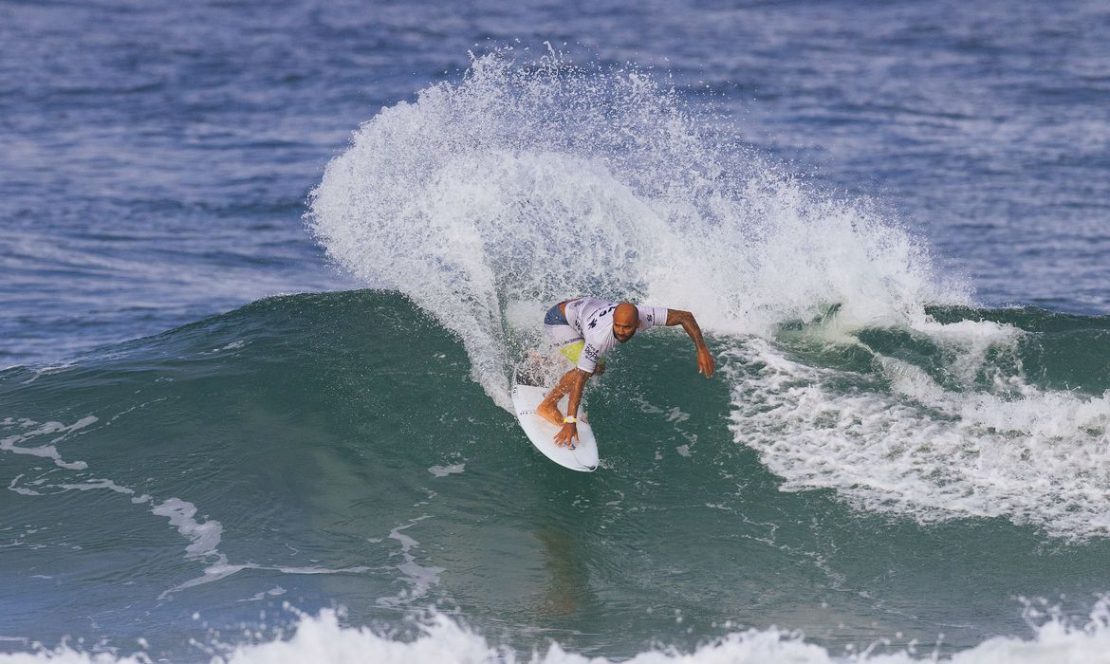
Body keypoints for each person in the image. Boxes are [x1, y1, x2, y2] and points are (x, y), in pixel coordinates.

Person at [538, 298, 715, 447]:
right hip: (558, 320)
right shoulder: (599, 339)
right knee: (590, 369)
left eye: (627, 327)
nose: (622, 332)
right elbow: (580, 379)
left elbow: (685, 317)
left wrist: (701, 349)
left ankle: (548, 358)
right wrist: (571, 421)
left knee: (597, 366)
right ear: (613, 321)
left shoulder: (646, 315)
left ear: (638, 324)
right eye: (618, 326)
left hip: (581, 311)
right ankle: (547, 405)